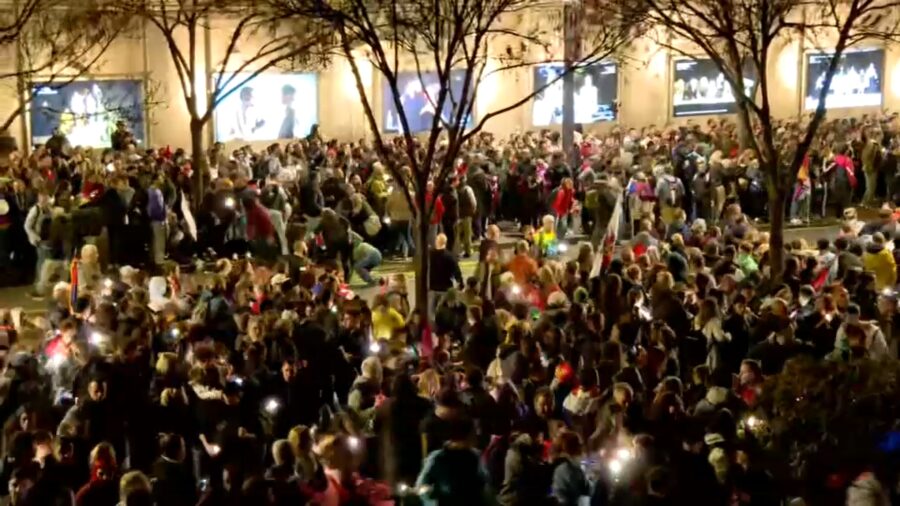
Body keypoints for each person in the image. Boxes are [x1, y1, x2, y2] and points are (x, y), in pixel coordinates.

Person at [428, 233, 462, 317]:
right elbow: (456, 271)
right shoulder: (450, 256)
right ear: (445, 243)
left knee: (431, 312)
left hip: (433, 287)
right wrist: (460, 283)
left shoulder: (430, 255)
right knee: (443, 312)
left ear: (436, 242)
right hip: (445, 288)